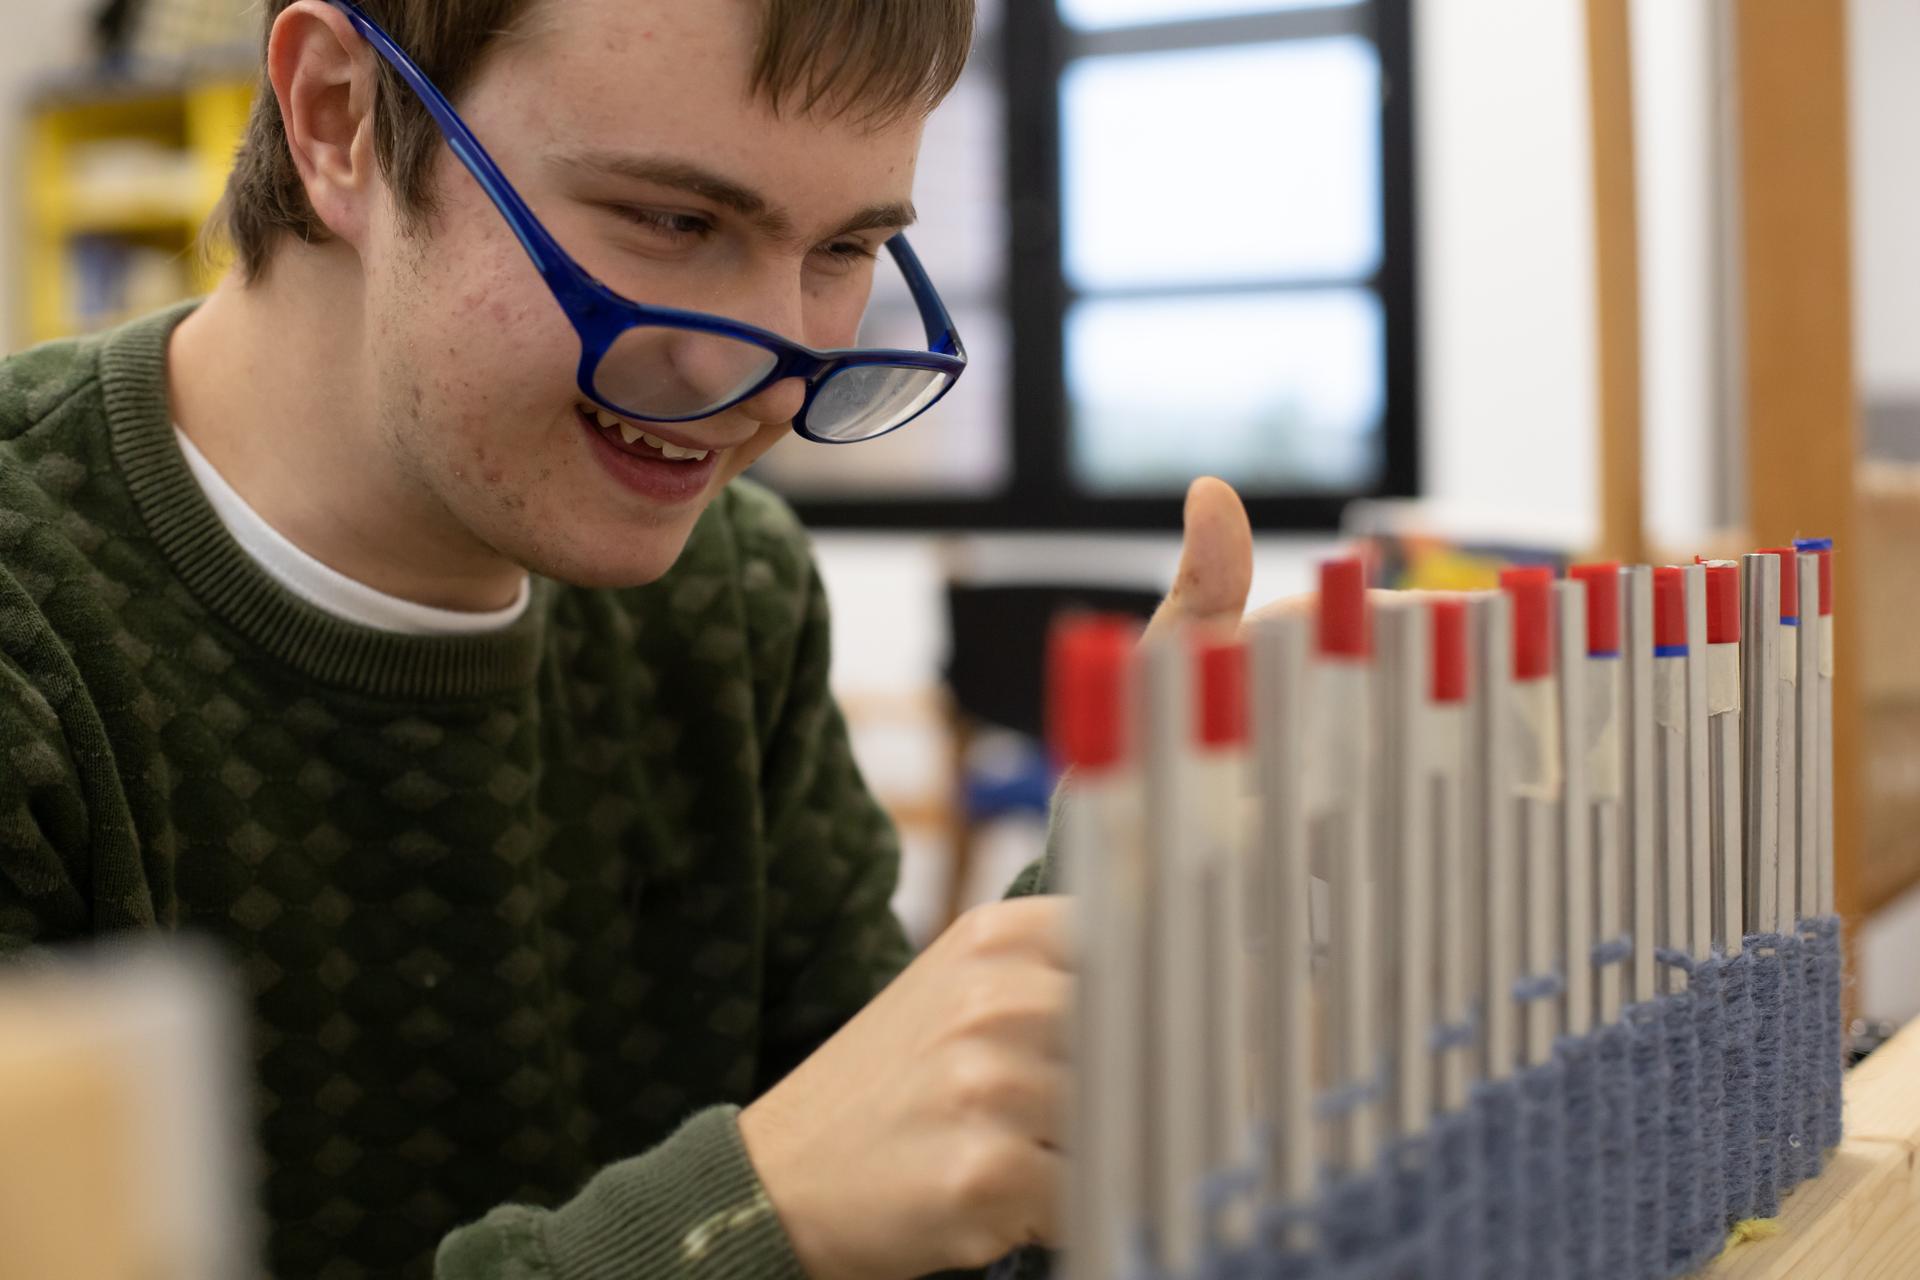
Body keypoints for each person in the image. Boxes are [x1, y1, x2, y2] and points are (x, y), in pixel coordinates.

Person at [0, 1, 1261, 1276]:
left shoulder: (732, 590)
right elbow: (800, 1198)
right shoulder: (32, 630)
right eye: (674, 222)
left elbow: (901, 1197)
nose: (776, 383)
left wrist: (1110, 927)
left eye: (847, 246)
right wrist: (748, 1215)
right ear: (341, 118)